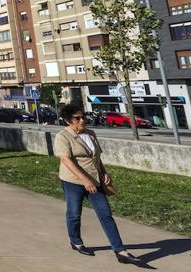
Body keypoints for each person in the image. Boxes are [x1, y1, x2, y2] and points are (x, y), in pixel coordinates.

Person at [54, 104, 141, 265]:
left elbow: (97, 158)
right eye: (77, 118)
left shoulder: (90, 133)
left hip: (95, 181)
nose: (82, 120)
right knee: (74, 213)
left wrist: (104, 173)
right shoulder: (63, 136)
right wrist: (84, 180)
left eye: (82, 117)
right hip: (73, 181)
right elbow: (65, 160)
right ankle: (76, 241)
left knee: (105, 214)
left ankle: (120, 250)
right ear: (67, 121)